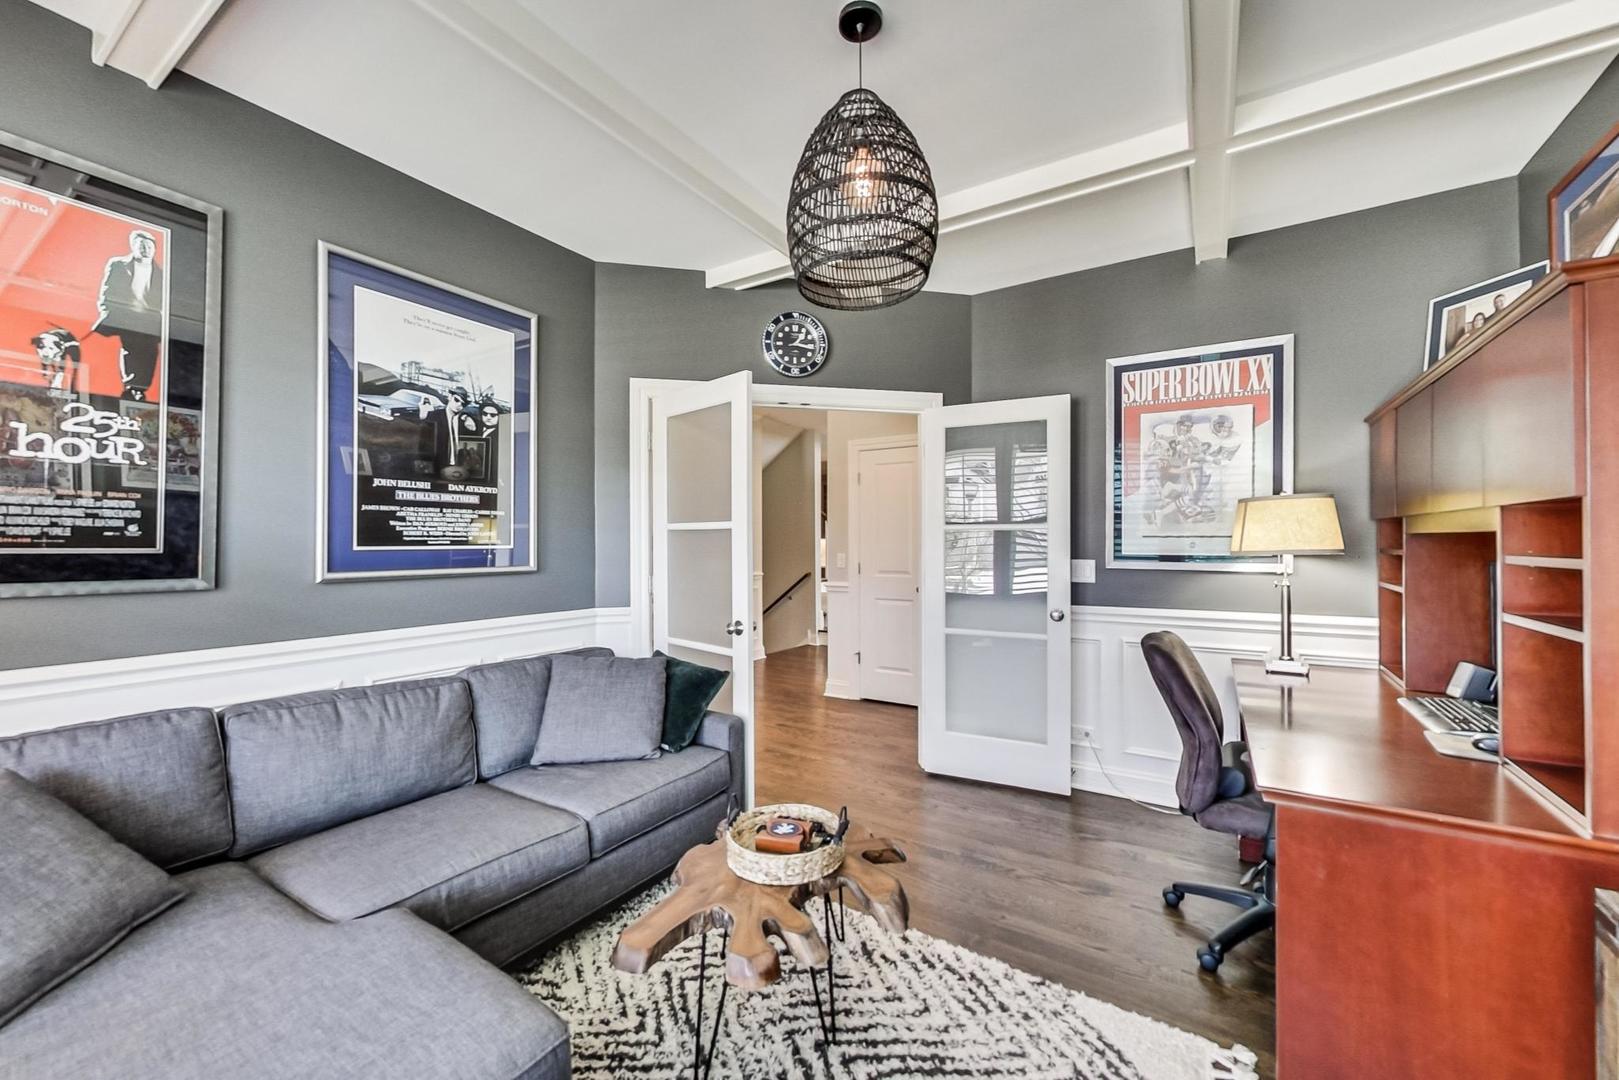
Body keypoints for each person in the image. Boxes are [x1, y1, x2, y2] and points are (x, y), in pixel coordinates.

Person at [91, 229, 164, 401]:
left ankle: (141, 389)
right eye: (141, 245)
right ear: (133, 246)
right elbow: (108, 289)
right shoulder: (118, 264)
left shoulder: (162, 273)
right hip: (127, 317)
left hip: (150, 320)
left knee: (150, 352)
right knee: (130, 350)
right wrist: (106, 311)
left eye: (149, 246)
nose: (146, 249)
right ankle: (132, 387)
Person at [30, 328, 81, 393]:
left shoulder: (60, 347)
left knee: (73, 366)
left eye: (51, 348)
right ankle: (48, 377)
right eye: (41, 347)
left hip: (67, 341)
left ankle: (65, 387)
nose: (45, 352)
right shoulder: (41, 341)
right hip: (56, 341)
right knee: (47, 362)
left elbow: (61, 367)